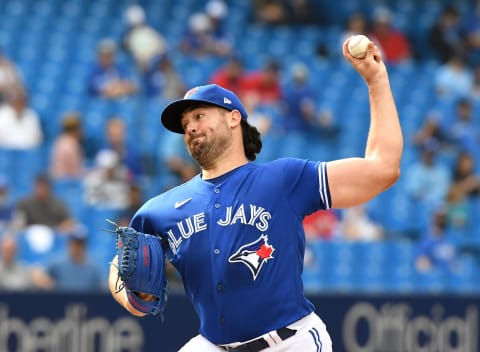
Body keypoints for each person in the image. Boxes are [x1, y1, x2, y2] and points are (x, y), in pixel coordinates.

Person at [108, 38, 403, 352]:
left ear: (233, 117)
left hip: (290, 342)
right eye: (185, 124)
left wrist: (376, 81)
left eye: (199, 116)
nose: (190, 127)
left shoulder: (283, 179)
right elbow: (120, 262)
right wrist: (129, 296)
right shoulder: (162, 209)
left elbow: (383, 169)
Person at [31, 224, 104, 292]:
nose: (77, 247)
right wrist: (47, 283)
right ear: (69, 243)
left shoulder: (93, 266)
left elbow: (100, 288)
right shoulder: (58, 262)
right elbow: (37, 272)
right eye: (75, 243)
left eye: (80, 243)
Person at [49, 112, 86, 180]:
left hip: (57, 180)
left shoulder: (59, 141)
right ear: (75, 130)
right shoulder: (72, 144)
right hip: (68, 182)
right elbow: (76, 172)